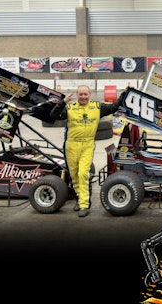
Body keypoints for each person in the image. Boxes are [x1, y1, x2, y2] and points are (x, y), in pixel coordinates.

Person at [50, 84, 127, 217]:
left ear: (89, 95)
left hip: (87, 145)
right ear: (77, 95)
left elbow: (114, 107)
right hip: (71, 145)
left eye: (85, 94)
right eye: (81, 94)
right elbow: (54, 115)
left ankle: (84, 205)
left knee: (83, 174)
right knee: (74, 176)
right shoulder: (70, 107)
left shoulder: (97, 107)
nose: (83, 97)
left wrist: (124, 93)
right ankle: (80, 200)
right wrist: (63, 102)